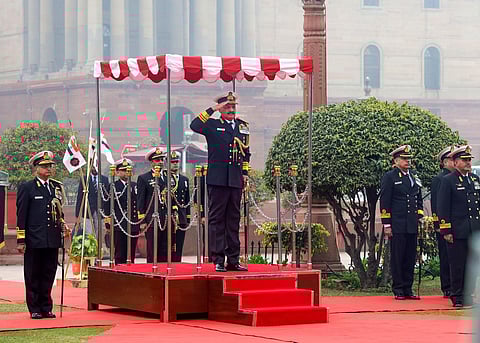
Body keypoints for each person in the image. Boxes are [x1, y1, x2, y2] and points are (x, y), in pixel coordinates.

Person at [190, 91, 250, 272]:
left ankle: (233, 259)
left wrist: (245, 173)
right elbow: (195, 125)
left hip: (234, 178)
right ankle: (217, 258)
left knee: (233, 219)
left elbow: (246, 153)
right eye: (227, 107)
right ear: (221, 109)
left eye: (233, 107)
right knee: (216, 219)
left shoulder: (242, 126)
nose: (231, 110)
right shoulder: (213, 124)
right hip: (217, 179)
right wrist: (212, 109)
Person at [16, 151, 67, 319]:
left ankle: (46, 307)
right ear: (36, 168)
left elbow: (59, 212)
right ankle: (35, 308)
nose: (48, 169)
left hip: (51, 238)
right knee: (33, 274)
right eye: (44, 166)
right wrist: (21, 239)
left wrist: (63, 228)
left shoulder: (56, 187)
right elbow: (22, 215)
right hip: (34, 239)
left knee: (48, 273)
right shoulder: (27, 187)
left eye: (50, 166)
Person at [437, 145, 480, 307]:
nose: (468, 163)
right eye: (465, 160)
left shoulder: (474, 179)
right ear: (455, 163)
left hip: (473, 230)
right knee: (457, 264)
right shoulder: (448, 181)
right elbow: (443, 207)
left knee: (471, 265)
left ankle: (468, 294)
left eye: (469, 160)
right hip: (457, 230)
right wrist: (446, 229)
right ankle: (457, 296)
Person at [380, 144, 423, 300]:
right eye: (404, 159)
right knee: (398, 257)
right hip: (397, 223)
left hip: (411, 223)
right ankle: (398, 288)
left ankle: (408, 287)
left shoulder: (414, 176)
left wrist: (419, 215)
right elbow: (385, 201)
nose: (407, 161)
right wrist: (387, 224)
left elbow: (418, 198)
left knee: (410, 256)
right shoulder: (390, 177)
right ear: (396, 161)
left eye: (408, 159)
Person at [103, 158, 140, 264]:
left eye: (128, 170)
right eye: (123, 170)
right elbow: (107, 205)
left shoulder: (135, 186)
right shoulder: (113, 186)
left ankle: (131, 273)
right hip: (119, 224)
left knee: (131, 253)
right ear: (117, 172)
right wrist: (108, 222)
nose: (126, 172)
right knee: (120, 253)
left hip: (133, 223)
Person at [431, 146, 455, 298]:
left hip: (457, 224)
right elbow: (436, 204)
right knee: (446, 257)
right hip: (444, 225)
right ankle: (447, 286)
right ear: (445, 162)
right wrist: (438, 225)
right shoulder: (440, 179)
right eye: (452, 160)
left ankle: (457, 285)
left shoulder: (458, 178)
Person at [160, 151, 190, 262]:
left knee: (179, 246)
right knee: (165, 246)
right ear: (167, 163)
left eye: (177, 162)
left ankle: (178, 263)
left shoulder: (184, 180)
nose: (175, 164)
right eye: (172, 162)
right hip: (167, 218)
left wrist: (187, 218)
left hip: (180, 218)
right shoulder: (163, 179)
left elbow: (186, 201)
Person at [137, 147, 166, 263]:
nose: (160, 162)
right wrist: (142, 221)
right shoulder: (144, 178)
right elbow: (141, 200)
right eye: (157, 160)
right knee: (152, 249)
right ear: (151, 162)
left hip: (165, 219)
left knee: (164, 249)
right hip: (151, 219)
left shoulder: (168, 177)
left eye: (161, 159)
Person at [74, 165, 108, 237]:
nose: (94, 169)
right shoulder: (84, 179)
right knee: (88, 232)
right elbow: (80, 197)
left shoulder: (104, 179)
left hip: (100, 211)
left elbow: (107, 197)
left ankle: (97, 247)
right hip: (87, 210)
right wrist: (77, 214)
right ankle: (90, 247)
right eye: (92, 167)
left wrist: (107, 213)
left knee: (98, 232)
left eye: (96, 166)